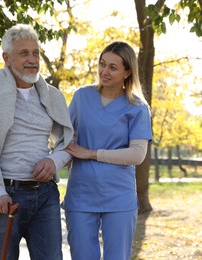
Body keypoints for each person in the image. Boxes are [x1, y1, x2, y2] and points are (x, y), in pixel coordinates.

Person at [0, 24, 73, 260]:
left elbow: (68, 142)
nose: (32, 60)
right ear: (7, 58)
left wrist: (54, 161)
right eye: (24, 53)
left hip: (45, 196)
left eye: (36, 53)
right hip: (5, 198)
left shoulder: (52, 96)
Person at [62, 41, 152, 260]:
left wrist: (91, 153)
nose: (104, 71)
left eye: (113, 67)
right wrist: (62, 155)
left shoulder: (138, 108)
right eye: (102, 64)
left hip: (119, 197)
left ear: (127, 71)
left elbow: (137, 154)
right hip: (81, 195)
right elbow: (63, 135)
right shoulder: (81, 97)